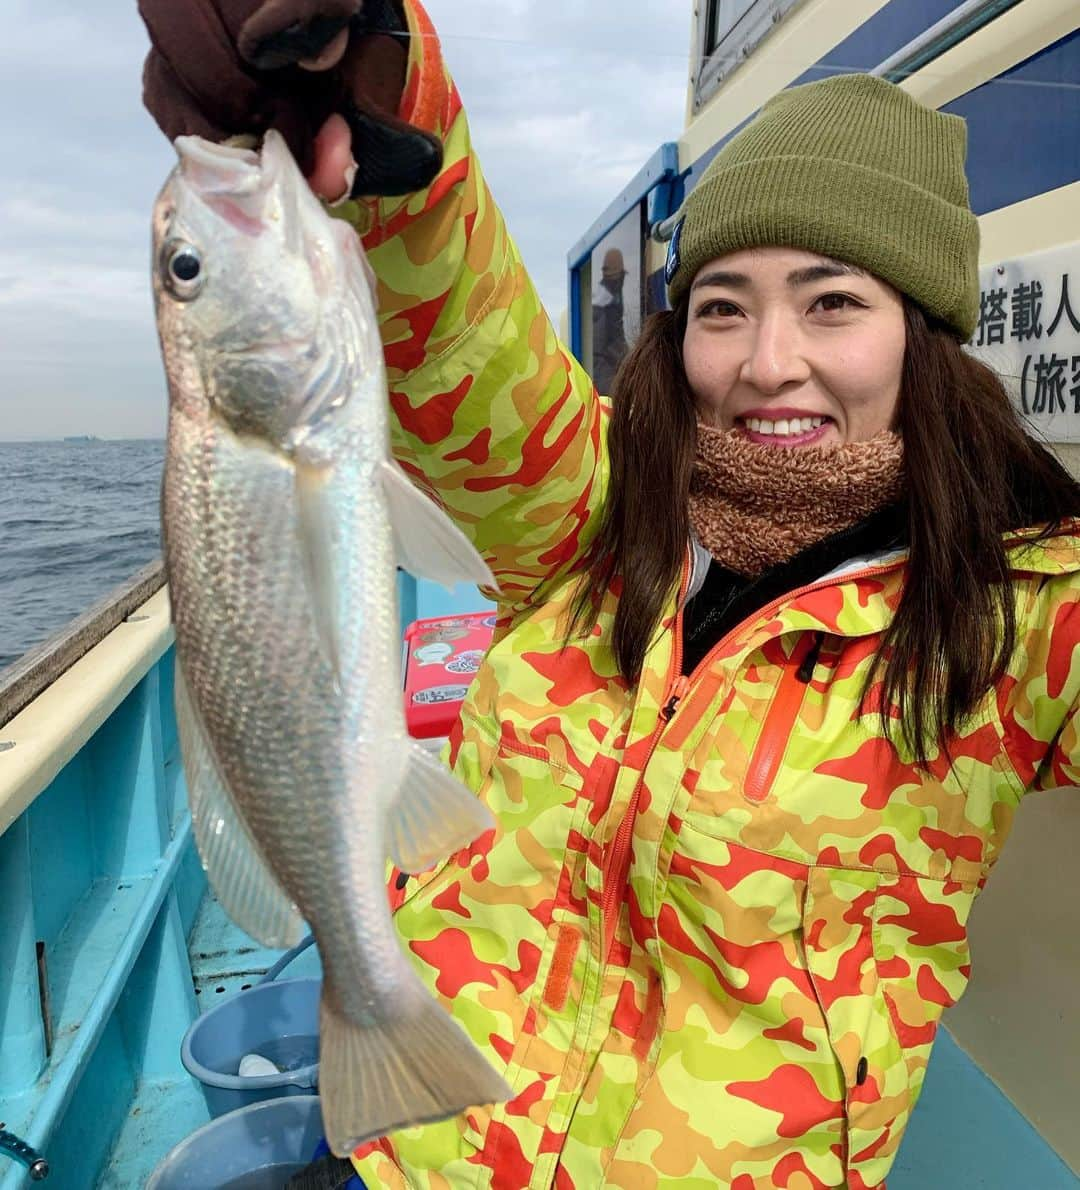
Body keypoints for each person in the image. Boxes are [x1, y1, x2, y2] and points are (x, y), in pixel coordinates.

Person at [139, 3, 1080, 1188]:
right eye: (723, 305)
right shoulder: (589, 521)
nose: (765, 360)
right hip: (410, 1153)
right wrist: (382, 87)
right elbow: (464, 330)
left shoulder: (1014, 622)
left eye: (833, 303)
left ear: (924, 338)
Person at [591, 246, 630, 394]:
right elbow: (599, 352)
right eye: (620, 277)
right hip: (607, 378)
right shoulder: (602, 304)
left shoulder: (613, 296)